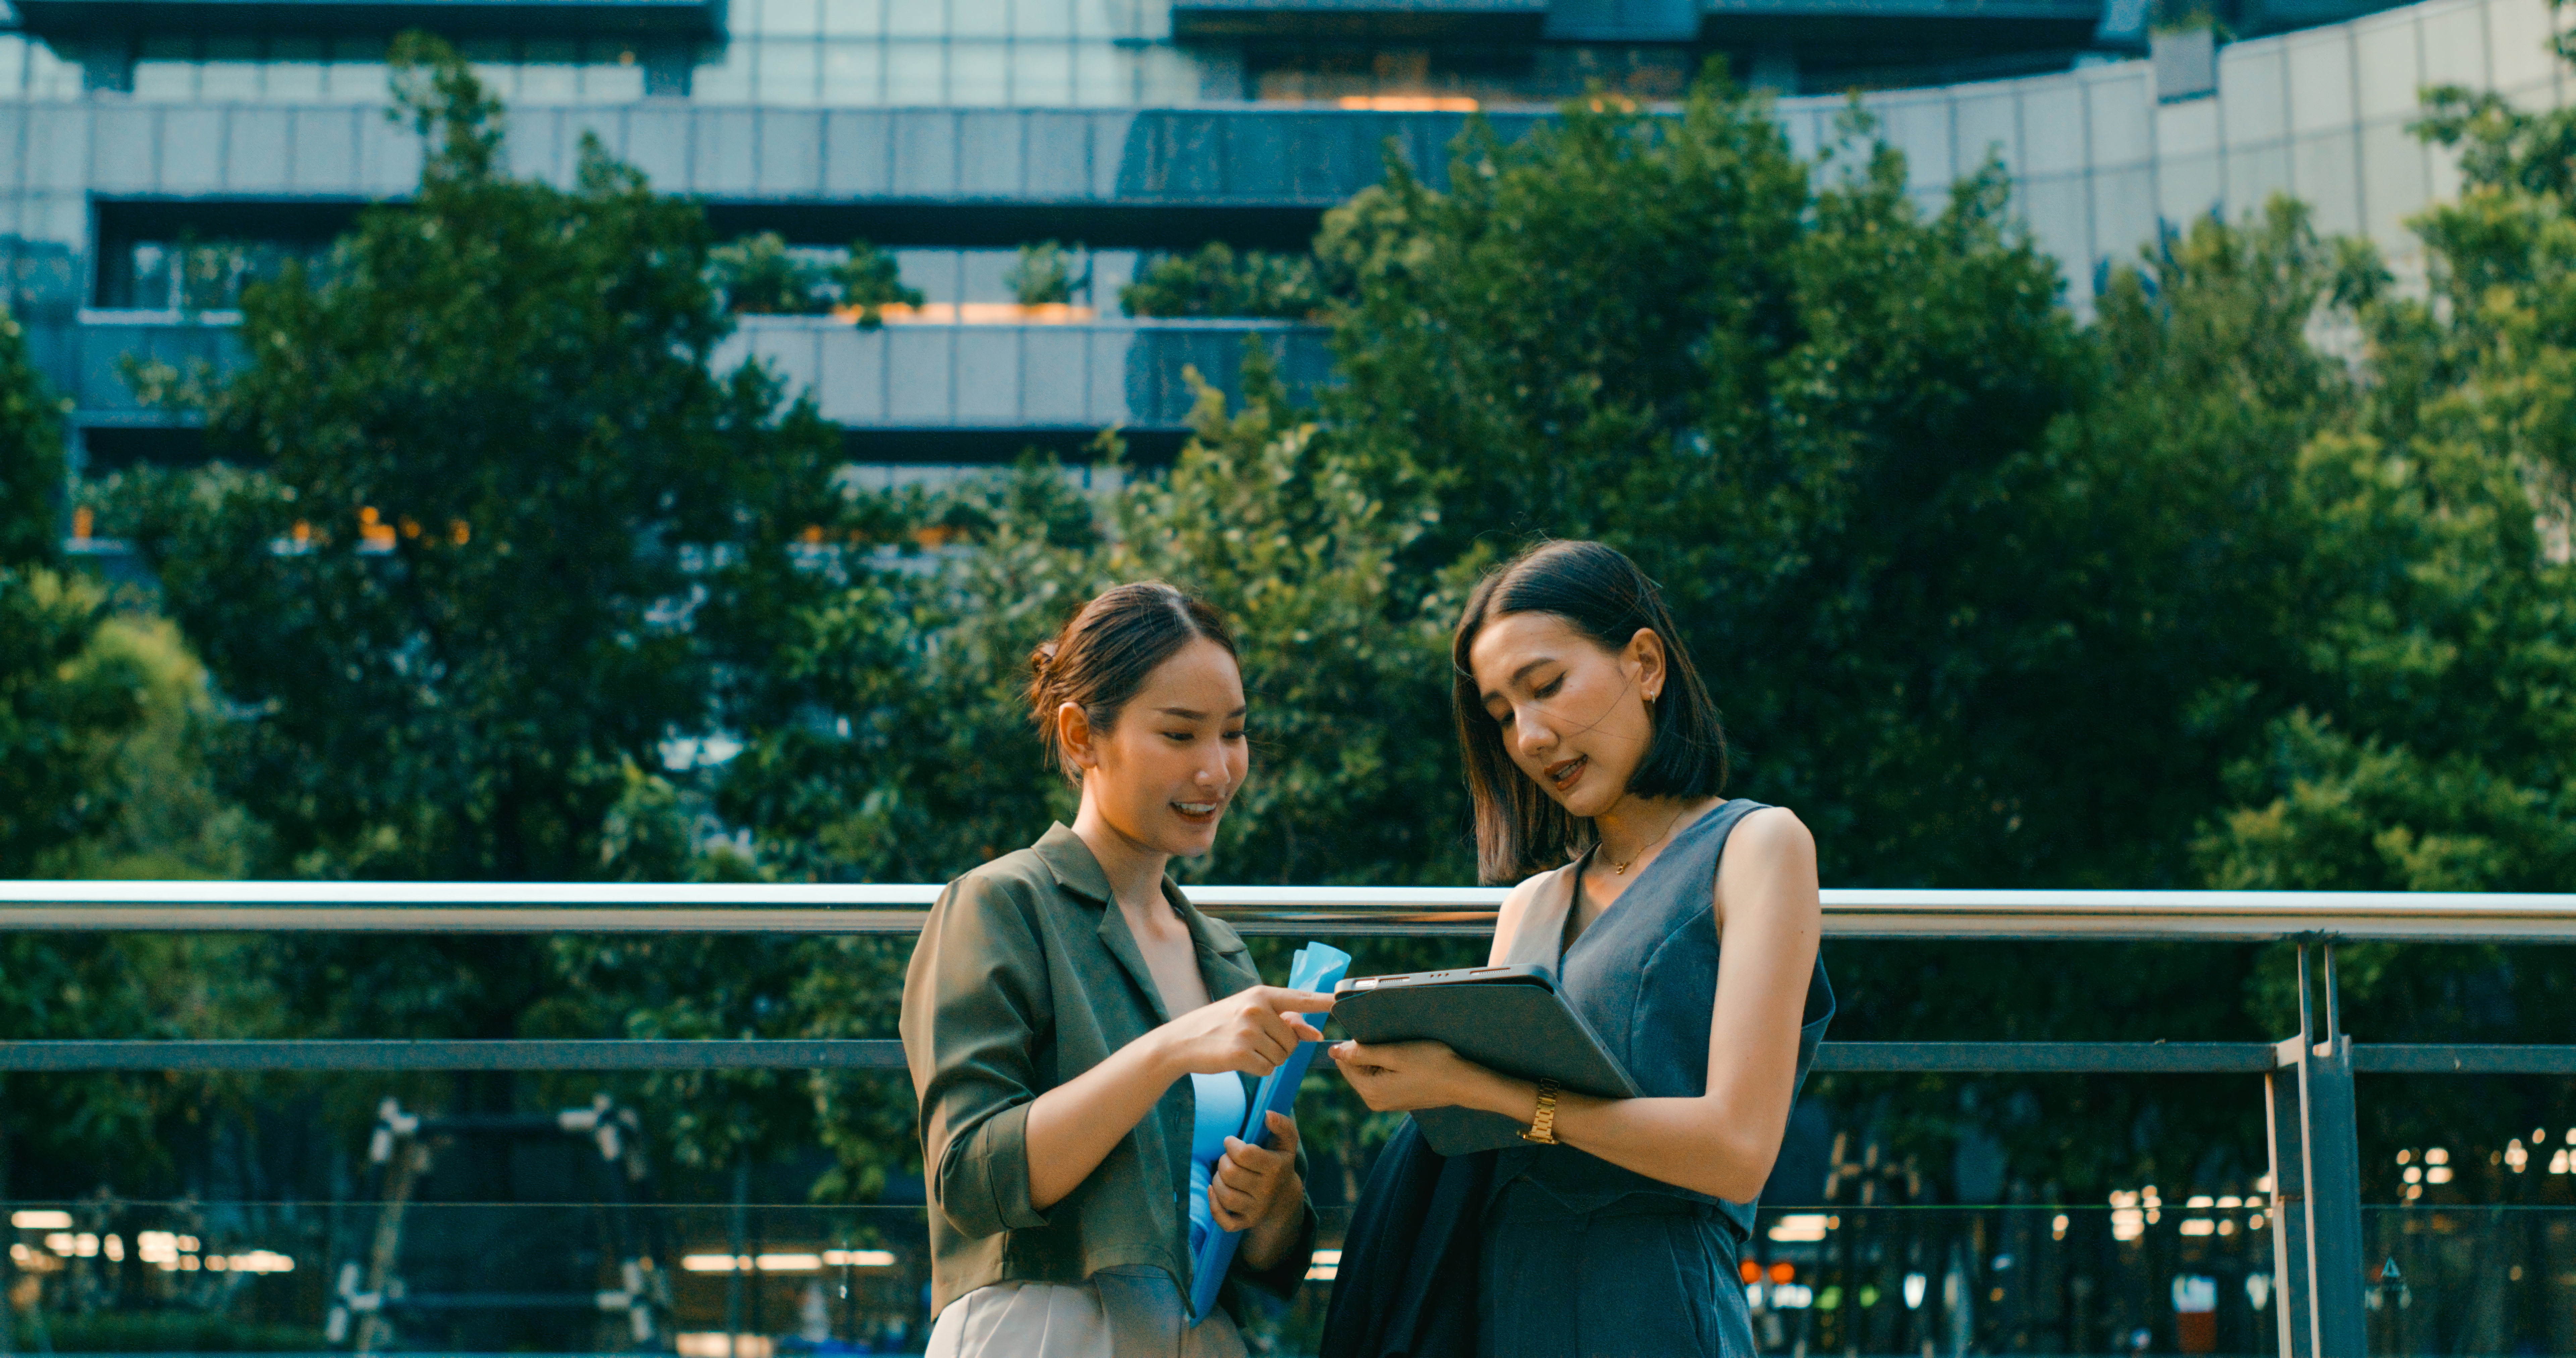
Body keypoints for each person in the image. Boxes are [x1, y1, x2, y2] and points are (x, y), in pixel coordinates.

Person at [1328, 540, 1834, 1358]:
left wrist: (1478, 1086)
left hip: (1657, 1308)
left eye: (1547, 687)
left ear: (1645, 663)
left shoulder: (1758, 845)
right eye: (1501, 715)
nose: (1529, 737)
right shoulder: (1531, 904)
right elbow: (1481, 1142)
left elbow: (1738, 1151)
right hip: (1505, 1305)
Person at [901, 580, 1333, 1357]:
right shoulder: (1002, 905)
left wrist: (1272, 1200)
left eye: (1233, 734)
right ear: (1081, 737)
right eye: (1180, 735)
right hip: (1043, 1330)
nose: (1217, 770)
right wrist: (1168, 1050)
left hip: (1196, 1335)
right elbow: (970, 1178)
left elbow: (1274, 1256)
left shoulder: (1222, 954)